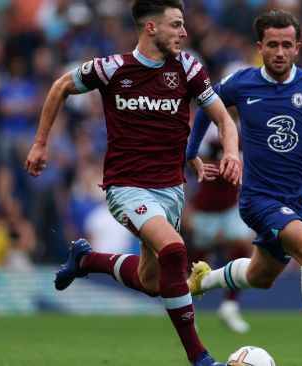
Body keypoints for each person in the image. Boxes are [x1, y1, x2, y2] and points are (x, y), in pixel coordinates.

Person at [24, 1, 241, 365]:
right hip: (126, 188)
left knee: (154, 282)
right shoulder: (112, 68)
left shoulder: (188, 68)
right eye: (176, 24)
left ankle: (86, 259)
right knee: (174, 250)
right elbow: (61, 85)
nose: (184, 32)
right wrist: (41, 142)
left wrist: (231, 154)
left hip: (170, 190)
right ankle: (200, 358)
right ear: (151, 28)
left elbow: (223, 119)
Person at [185, 10, 302, 366]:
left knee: (261, 276)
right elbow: (205, 110)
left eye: (287, 45)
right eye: (273, 45)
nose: (280, 52)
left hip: (294, 202)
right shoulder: (241, 83)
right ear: (260, 47)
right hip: (257, 200)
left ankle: (204, 280)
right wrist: (191, 152)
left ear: (298, 47)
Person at [185, 126, 254, 333]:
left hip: (231, 206)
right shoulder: (206, 129)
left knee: (243, 246)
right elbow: (199, 164)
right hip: (206, 208)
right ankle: (187, 311)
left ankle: (230, 306)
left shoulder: (242, 130)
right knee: (197, 260)